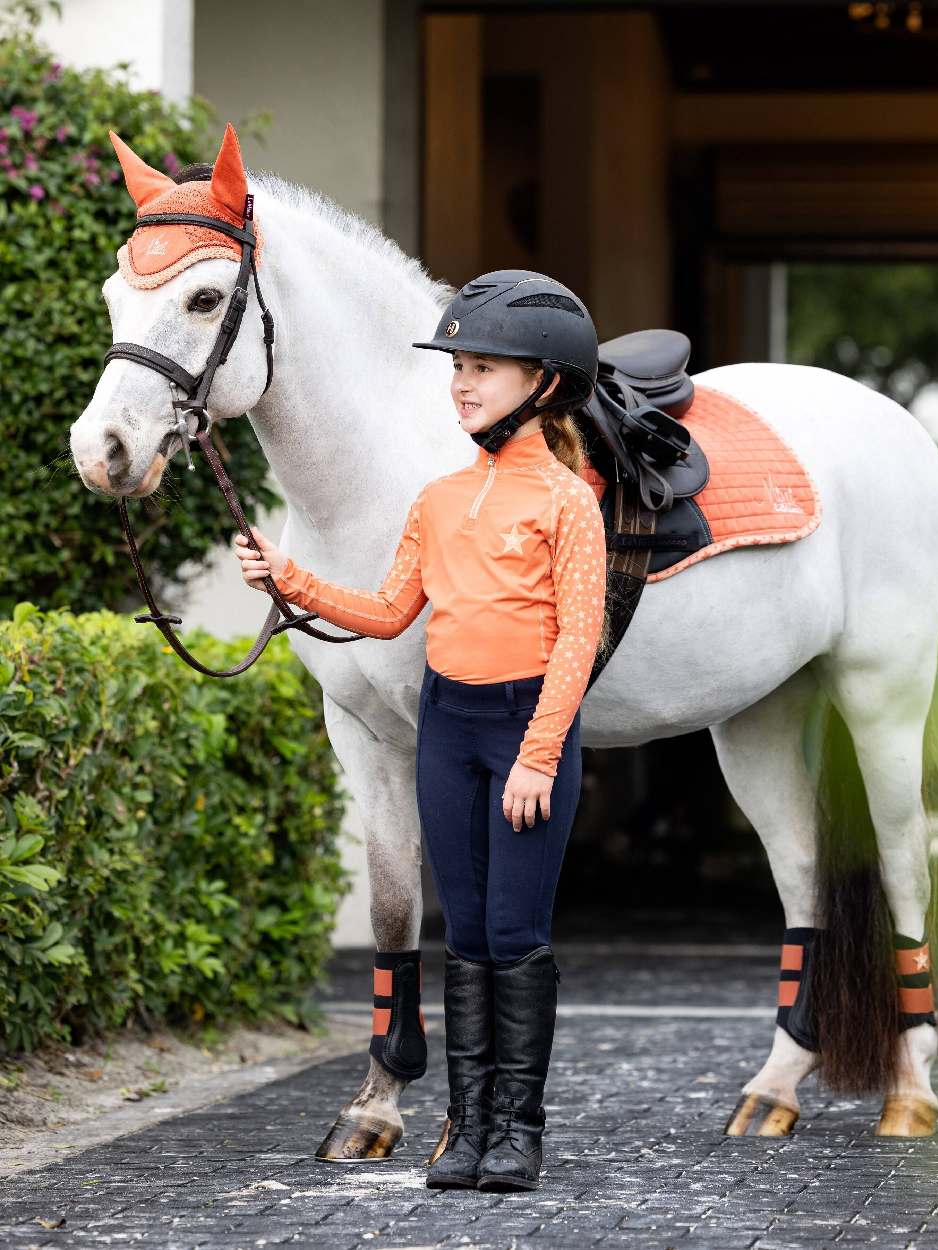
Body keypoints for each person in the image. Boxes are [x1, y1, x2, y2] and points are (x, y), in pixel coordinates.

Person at [233, 270, 607, 1192]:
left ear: (543, 384)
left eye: (484, 368)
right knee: (467, 936)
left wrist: (540, 755)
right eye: (459, 369)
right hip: (448, 722)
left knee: (516, 935)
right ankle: (469, 1129)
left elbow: (577, 643)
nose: (463, 385)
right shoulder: (438, 498)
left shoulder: (567, 502)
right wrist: (288, 577)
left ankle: (519, 1134)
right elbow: (390, 610)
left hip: (525, 728)